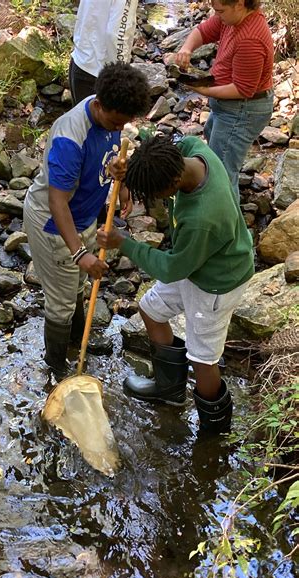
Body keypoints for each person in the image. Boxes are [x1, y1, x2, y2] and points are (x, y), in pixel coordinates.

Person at [97, 135, 254, 432]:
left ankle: (215, 429)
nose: (158, 199)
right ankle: (169, 391)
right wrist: (127, 176)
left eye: (159, 193)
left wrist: (125, 244)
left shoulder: (203, 217)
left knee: (202, 358)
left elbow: (171, 268)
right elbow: (150, 143)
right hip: (194, 264)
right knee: (151, 310)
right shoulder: (191, 149)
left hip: (216, 283)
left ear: (174, 179)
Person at [23, 61, 150, 379]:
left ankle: (78, 343)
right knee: (62, 303)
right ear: (100, 104)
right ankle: (57, 370)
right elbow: (57, 202)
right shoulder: (70, 138)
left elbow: (105, 158)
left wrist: (120, 180)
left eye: (124, 123)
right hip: (54, 224)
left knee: (77, 286)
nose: (118, 129)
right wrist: (80, 253)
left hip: (84, 215)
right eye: (115, 122)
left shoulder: (111, 116)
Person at [174, 0, 273, 200]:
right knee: (214, 148)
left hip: (243, 110)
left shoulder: (250, 39)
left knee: (222, 175)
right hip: (230, 106)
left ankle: (228, 226)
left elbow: (243, 89)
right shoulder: (232, 18)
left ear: (239, 4)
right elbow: (203, 30)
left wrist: (204, 90)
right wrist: (186, 48)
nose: (216, 15)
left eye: (220, 10)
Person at [69, 0, 139, 105]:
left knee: (80, 119)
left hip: (79, 60)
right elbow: (117, 35)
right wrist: (121, 75)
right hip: (98, 74)